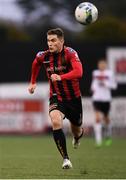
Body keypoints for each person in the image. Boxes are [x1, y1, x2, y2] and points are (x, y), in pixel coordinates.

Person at [28, 28, 83, 169]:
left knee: (76, 130)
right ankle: (66, 159)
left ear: (62, 41)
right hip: (56, 96)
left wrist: (61, 77)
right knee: (56, 120)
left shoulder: (70, 53)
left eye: (53, 40)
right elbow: (35, 64)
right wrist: (33, 82)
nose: (50, 44)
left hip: (74, 99)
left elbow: (79, 72)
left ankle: (77, 137)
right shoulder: (43, 56)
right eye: (48, 41)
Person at [91, 59, 117, 147]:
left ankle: (108, 135)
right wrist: (93, 88)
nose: (101, 66)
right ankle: (98, 140)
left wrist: (106, 84)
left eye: (103, 64)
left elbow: (114, 86)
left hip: (106, 99)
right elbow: (94, 84)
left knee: (106, 119)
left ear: (106, 65)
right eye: (100, 64)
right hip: (97, 98)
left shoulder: (110, 73)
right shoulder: (95, 73)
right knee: (97, 118)